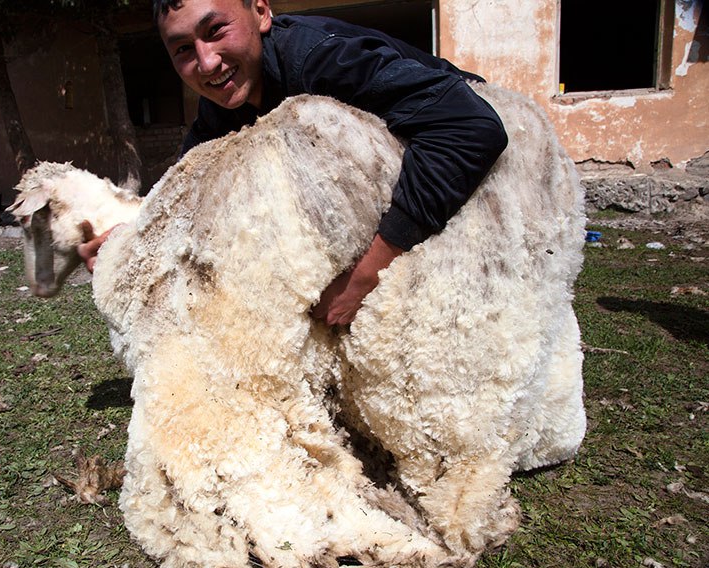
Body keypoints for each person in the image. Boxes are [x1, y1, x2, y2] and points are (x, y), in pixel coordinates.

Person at [79, 0, 508, 325]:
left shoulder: (322, 63)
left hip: (480, 172)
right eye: (183, 50)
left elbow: (470, 128)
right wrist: (133, 241)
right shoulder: (220, 111)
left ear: (262, 11)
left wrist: (364, 278)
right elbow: (186, 192)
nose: (207, 62)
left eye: (216, 30)